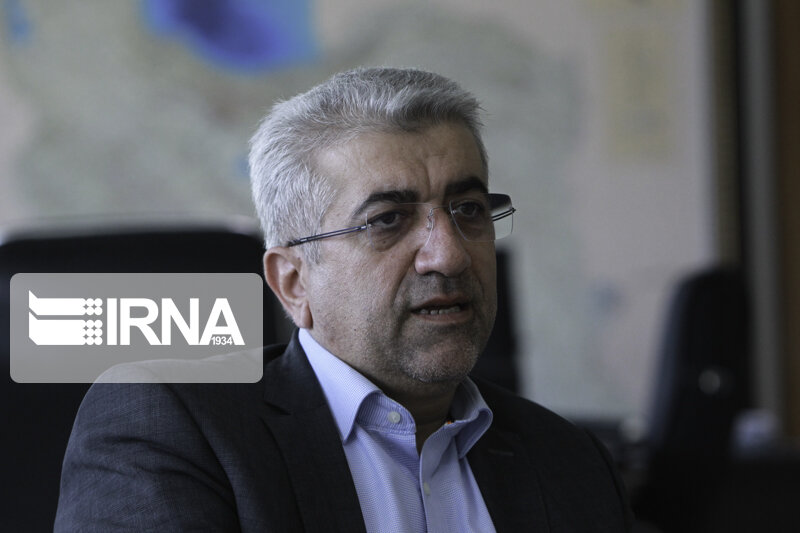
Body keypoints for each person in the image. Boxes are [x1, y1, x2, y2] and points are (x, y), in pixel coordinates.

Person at [55, 67, 633, 532]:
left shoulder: (568, 459)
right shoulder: (172, 430)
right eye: (388, 220)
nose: (449, 255)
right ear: (293, 282)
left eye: (469, 210)